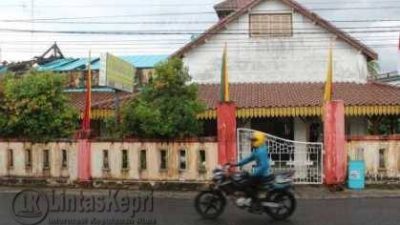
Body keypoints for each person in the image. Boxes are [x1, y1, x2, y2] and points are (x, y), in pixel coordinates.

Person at [232, 131, 270, 211]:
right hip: (259, 174)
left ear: (259, 141)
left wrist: (254, 174)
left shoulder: (261, 151)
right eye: (252, 140)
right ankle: (250, 199)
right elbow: (248, 159)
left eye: (254, 140)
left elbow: (264, 166)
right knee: (245, 179)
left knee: (245, 185)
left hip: (262, 175)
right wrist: (236, 164)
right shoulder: (257, 150)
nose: (252, 142)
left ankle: (256, 202)